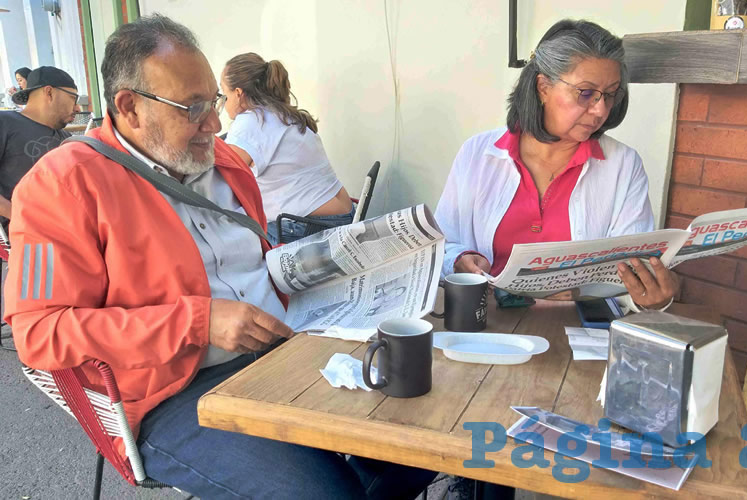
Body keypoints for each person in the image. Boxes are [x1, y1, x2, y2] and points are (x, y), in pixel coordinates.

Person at [5, 14, 434, 499]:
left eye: (213, 101)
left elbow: (256, 267)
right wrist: (196, 322)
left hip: (284, 349)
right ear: (129, 108)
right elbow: (38, 334)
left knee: (429, 433)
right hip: (174, 393)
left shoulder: (227, 164)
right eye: (192, 108)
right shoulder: (59, 185)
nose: (215, 123)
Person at [435, 19, 678, 311]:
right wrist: (460, 259)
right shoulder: (478, 154)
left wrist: (651, 297)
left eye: (610, 94)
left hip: (577, 330)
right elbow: (441, 246)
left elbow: (630, 271)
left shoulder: (623, 165)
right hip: (483, 321)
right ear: (543, 87)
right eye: (585, 93)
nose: (600, 109)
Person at [220, 52, 354, 245]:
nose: (223, 103)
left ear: (238, 94)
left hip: (309, 227)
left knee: (232, 240)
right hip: (344, 215)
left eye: (224, 95)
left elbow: (223, 179)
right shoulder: (282, 113)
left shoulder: (251, 121)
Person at [0, 66, 78, 232]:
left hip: (71, 231)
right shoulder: (5, 123)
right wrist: (21, 216)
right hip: (30, 237)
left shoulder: (64, 138)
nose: (77, 108)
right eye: (73, 98)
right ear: (49, 93)